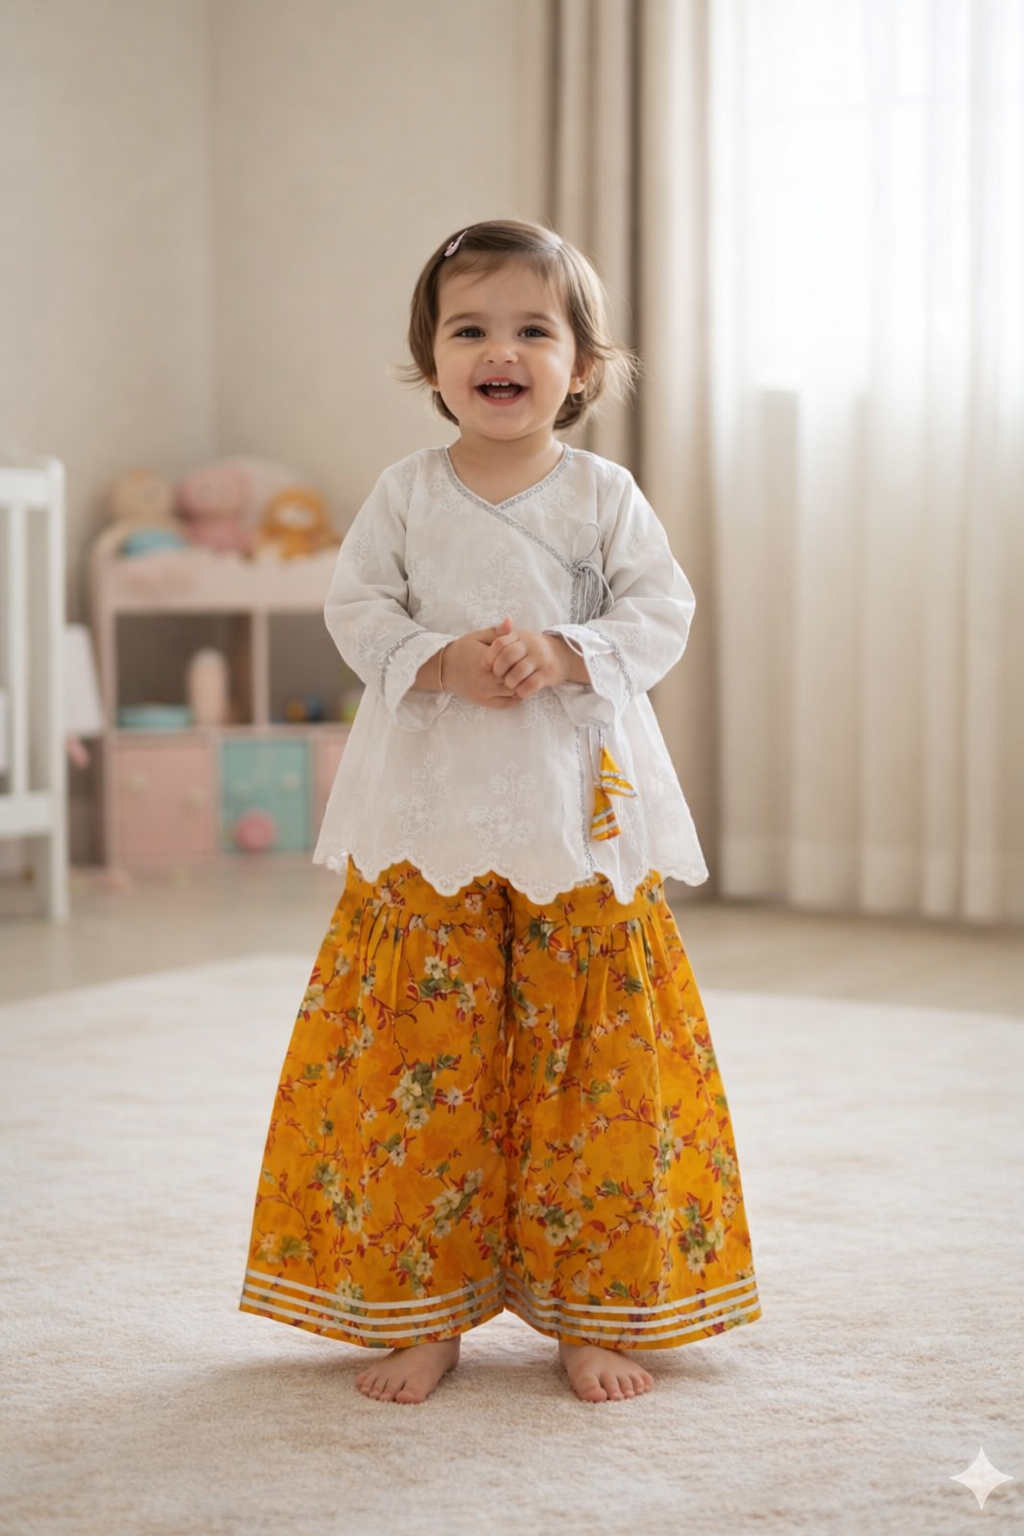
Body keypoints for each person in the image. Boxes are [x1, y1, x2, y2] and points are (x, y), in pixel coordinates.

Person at [238, 218, 762, 1405]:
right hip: (432, 814)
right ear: (431, 360)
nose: (500, 351)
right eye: (469, 328)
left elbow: (658, 612)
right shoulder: (404, 493)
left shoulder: (602, 494)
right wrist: (437, 660)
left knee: (593, 1064)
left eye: (533, 329)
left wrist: (566, 653)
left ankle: (593, 1306)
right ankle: (425, 1308)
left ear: (582, 366)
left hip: (573, 816)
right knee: (423, 1057)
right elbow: (357, 610)